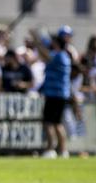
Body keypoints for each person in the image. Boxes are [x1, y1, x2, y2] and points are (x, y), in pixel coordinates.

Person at [30, 31, 71, 159]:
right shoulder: (64, 55)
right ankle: (63, 150)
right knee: (57, 123)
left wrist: (37, 42)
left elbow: (46, 56)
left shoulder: (59, 55)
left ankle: (50, 149)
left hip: (55, 93)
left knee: (48, 122)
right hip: (61, 94)